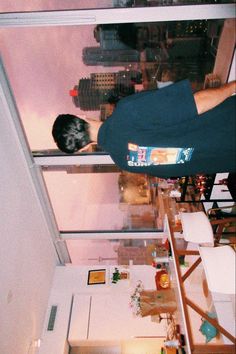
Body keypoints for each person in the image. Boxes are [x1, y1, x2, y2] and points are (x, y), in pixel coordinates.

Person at [52, 79, 236, 178]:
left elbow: (180, 161)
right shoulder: (127, 112)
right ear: (81, 117)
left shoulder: (126, 162)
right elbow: (195, 104)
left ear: (83, 148)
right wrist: (232, 87)